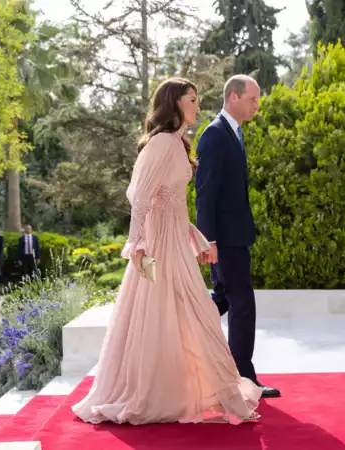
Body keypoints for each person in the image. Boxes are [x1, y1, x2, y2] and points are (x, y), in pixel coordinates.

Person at [71, 77, 262, 426]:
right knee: (162, 314)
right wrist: (139, 245)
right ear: (174, 103)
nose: (197, 106)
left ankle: (198, 388)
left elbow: (173, 201)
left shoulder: (178, 142)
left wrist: (195, 235)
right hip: (158, 244)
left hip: (176, 241)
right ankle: (154, 392)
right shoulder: (160, 143)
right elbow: (140, 198)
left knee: (191, 311)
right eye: (191, 99)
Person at [193, 75, 281, 398]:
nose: (257, 106)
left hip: (235, 236)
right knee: (242, 303)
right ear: (233, 97)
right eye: (252, 100)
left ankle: (182, 335)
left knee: (224, 300)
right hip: (224, 240)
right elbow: (205, 194)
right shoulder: (215, 136)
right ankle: (244, 380)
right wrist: (209, 240)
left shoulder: (234, 132)